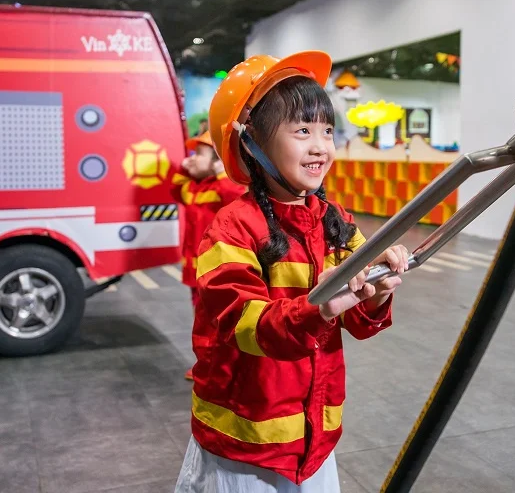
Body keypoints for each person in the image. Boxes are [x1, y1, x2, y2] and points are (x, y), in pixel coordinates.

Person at [174, 51, 409, 493]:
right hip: (245, 445)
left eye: (326, 130)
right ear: (251, 143)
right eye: (302, 131)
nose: (320, 145)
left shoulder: (335, 220)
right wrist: (318, 308)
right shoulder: (233, 227)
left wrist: (375, 291)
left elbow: (360, 323)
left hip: (315, 439)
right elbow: (246, 326)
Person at [170, 130, 246, 380]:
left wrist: (222, 171)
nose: (191, 159)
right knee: (201, 320)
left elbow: (236, 195)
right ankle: (207, 362)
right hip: (194, 268)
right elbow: (175, 189)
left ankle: (221, 364)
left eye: (197, 155)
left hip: (216, 267)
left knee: (218, 318)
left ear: (216, 162)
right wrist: (183, 169)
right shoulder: (192, 188)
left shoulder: (221, 186)